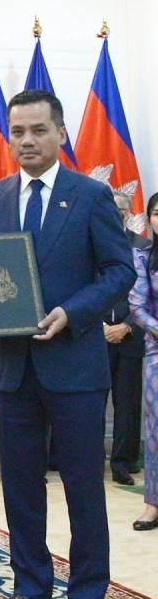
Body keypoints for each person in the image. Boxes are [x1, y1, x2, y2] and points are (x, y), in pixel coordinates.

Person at [0, 89, 133, 599]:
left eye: (39, 130)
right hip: (12, 367)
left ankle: (87, 594)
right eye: (18, 132)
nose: (27, 141)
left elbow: (119, 270)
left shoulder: (91, 195)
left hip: (75, 366)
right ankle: (31, 589)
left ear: (61, 134)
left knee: (83, 486)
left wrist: (73, 312)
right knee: (20, 487)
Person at [106, 191, 149, 486]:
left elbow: (151, 295)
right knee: (89, 402)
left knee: (127, 404)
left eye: (120, 210)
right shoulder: (90, 242)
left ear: (129, 213)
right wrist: (98, 324)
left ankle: (122, 462)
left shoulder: (144, 247)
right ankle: (85, 460)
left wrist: (128, 326)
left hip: (130, 335)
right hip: (94, 335)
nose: (115, 214)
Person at [129, 191, 158, 533]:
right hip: (156, 351)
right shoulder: (143, 256)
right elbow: (137, 307)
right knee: (155, 430)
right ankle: (152, 504)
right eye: (156, 213)